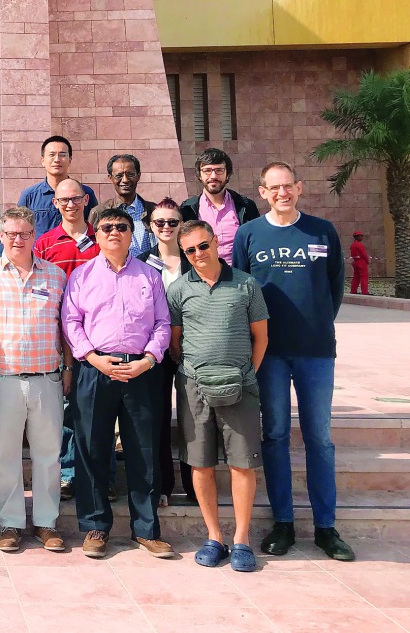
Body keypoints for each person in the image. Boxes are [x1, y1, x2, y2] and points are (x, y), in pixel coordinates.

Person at [233, 162, 354, 561]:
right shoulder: (249, 233)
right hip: (269, 353)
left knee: (319, 438)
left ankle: (325, 527)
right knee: (277, 435)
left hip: (316, 351)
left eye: (288, 186)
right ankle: (282, 523)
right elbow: (240, 289)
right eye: (274, 187)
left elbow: (334, 286)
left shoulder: (322, 231)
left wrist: (317, 321)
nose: (282, 193)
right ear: (262, 191)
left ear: (299, 188)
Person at [62, 207, 172, 560]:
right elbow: (71, 321)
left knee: (143, 450)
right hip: (95, 368)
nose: (114, 232)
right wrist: (91, 358)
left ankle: (146, 529)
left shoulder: (149, 276)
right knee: (91, 448)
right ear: (96, 233)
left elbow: (162, 324)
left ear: (132, 233)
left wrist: (148, 360)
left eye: (121, 227)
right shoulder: (80, 276)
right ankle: (96, 526)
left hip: (141, 371)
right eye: (107, 227)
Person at [167, 219, 269, 573]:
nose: (198, 254)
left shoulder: (246, 284)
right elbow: (175, 342)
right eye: (190, 250)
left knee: (242, 464)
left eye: (203, 246)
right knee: (200, 463)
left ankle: (241, 540)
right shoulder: (179, 290)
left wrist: (245, 372)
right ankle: (214, 537)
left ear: (215, 242)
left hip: (239, 385)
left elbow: (262, 337)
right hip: (195, 386)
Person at [0, 206, 71, 554]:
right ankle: (10, 523)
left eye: (24, 233)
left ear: (34, 236)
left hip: (46, 379)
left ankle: (46, 522)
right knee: (6, 455)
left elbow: (66, 330)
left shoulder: (56, 276)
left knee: (49, 455)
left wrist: (68, 369)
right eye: (11, 233)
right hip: (3, 380)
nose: (17, 239)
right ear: (0, 236)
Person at [33, 176, 99, 502]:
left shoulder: (101, 240)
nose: (70, 204)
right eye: (64, 200)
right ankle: (68, 474)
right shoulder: (44, 244)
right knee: (64, 412)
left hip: (99, 341)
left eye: (75, 198)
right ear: (56, 204)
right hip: (59, 340)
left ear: (86, 200)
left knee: (94, 412)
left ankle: (98, 474)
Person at [140, 198, 194, 507]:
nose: (166, 227)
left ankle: (192, 484)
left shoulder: (195, 257)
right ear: (150, 226)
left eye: (172, 222)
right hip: (155, 350)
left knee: (191, 419)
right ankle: (162, 484)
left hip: (191, 349)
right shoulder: (141, 261)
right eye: (159, 222)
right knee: (157, 418)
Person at [178, 148, 260, 263]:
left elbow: (256, 243)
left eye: (219, 170)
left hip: (239, 275)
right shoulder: (187, 210)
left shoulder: (246, 207)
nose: (213, 176)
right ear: (199, 175)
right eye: (207, 170)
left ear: (228, 174)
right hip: (203, 276)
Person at [17, 136, 98, 235]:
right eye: (52, 155)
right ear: (42, 160)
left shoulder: (85, 192)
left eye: (62, 155)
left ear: (70, 160)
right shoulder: (29, 195)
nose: (57, 160)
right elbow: (19, 229)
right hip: (41, 249)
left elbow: (95, 227)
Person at [98, 154, 155, 256]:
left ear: (138, 176)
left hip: (148, 270)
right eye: (119, 176)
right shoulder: (99, 212)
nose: (125, 180)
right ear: (110, 178)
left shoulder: (153, 210)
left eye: (130, 175)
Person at [349, 231, 371, 296]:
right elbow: (364, 254)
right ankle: (364, 291)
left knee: (356, 277)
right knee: (364, 277)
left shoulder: (352, 245)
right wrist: (367, 261)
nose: (362, 237)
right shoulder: (360, 245)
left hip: (355, 262)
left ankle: (353, 290)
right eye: (361, 236)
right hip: (361, 262)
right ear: (357, 237)